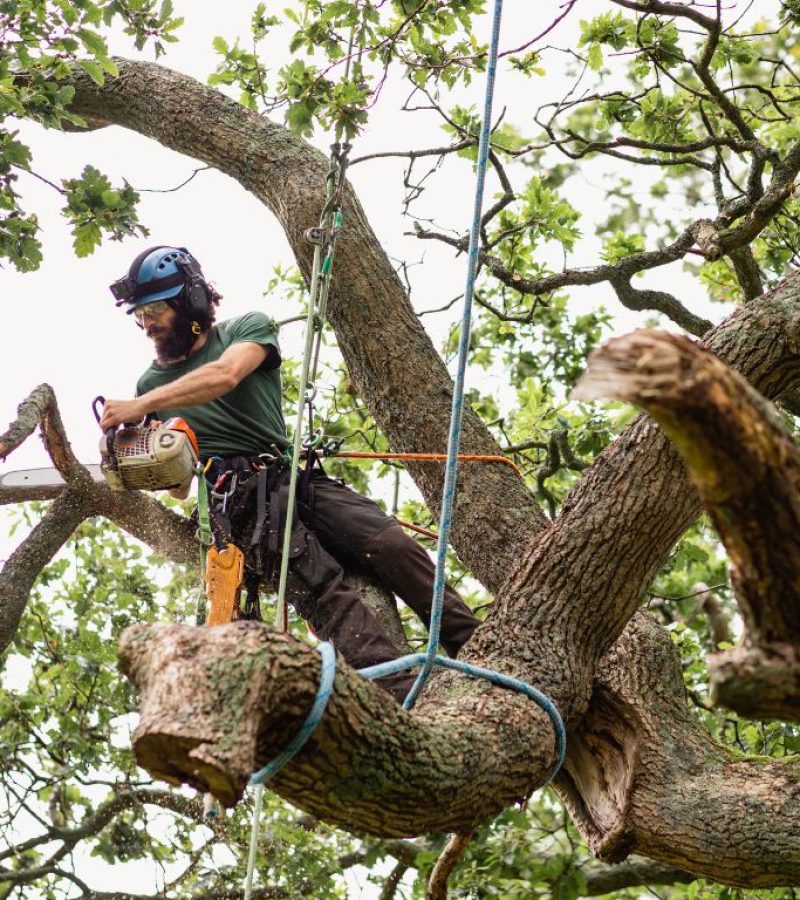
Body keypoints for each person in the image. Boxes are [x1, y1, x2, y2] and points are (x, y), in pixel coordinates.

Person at [101, 245, 479, 702]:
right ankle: (401, 694)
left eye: (156, 309)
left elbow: (225, 376)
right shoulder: (151, 384)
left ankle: (476, 647)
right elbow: (181, 490)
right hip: (237, 500)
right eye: (140, 314)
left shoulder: (245, 330)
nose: (147, 324)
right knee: (322, 585)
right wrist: (148, 456)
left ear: (192, 301)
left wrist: (143, 406)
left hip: (289, 477)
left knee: (389, 543)